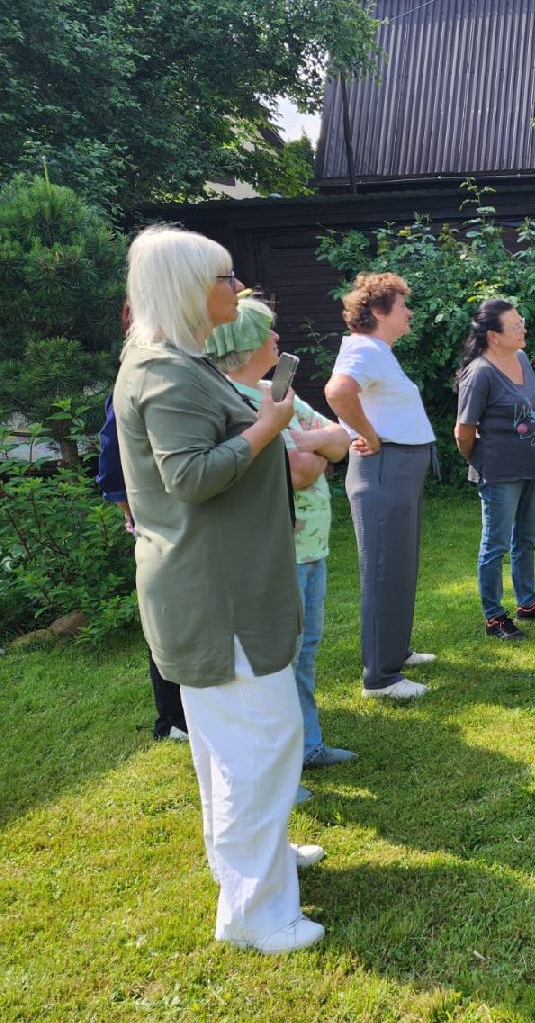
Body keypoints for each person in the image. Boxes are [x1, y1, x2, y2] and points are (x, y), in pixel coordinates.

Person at [112, 225, 325, 955]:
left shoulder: (180, 361)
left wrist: (264, 424)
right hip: (217, 595)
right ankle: (255, 915)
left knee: (232, 745)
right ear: (185, 288)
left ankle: (257, 866)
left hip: (230, 585)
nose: (237, 289)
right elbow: (191, 477)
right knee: (261, 744)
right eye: (225, 277)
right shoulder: (164, 372)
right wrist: (267, 427)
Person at [207, 294, 356, 770]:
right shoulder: (230, 402)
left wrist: (305, 441)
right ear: (246, 343)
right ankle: (280, 768)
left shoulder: (279, 394)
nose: (276, 338)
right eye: (267, 331)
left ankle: (308, 745)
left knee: (306, 653)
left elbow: (340, 439)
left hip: (311, 549)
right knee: (276, 665)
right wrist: (313, 450)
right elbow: (295, 474)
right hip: (276, 555)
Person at [324, 273, 436, 700]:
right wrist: (367, 434)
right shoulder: (365, 349)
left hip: (397, 469)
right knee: (384, 569)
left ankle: (395, 653)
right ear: (377, 312)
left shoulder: (377, 351)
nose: (409, 312)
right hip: (384, 468)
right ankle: (380, 677)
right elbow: (338, 391)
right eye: (402, 305)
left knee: (400, 565)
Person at [454, 299, 535, 641]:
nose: (523, 328)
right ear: (493, 336)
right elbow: (463, 431)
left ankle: (527, 603)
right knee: (496, 544)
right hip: (499, 471)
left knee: (527, 538)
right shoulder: (481, 373)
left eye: (521, 322)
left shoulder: (520, 358)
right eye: (515, 326)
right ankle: (494, 616)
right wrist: (480, 461)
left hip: (532, 465)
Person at [97, 387, 189, 744]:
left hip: (184, 518)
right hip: (160, 522)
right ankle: (173, 718)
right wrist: (130, 513)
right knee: (166, 615)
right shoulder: (130, 388)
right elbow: (111, 462)